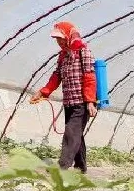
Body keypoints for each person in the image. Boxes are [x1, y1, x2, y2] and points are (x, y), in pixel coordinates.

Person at [30, 21, 97, 173]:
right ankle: (81, 168)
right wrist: (43, 92)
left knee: (71, 133)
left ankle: (61, 168)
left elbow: (89, 77)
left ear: (68, 35)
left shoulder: (83, 52)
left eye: (60, 38)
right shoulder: (63, 56)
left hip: (82, 102)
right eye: (56, 39)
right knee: (76, 134)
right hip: (69, 102)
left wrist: (90, 102)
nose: (58, 42)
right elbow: (56, 76)